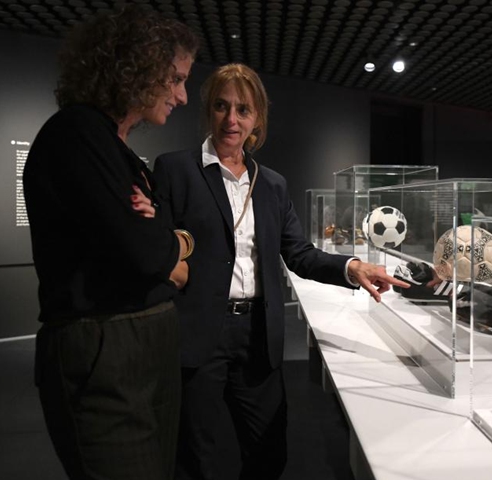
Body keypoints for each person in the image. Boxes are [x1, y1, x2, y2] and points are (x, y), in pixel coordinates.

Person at [152, 63, 409, 480]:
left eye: (243, 109)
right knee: (197, 455)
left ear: (257, 119)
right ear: (207, 111)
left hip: (258, 336)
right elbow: (160, 250)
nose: (231, 119)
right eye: (221, 106)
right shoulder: (175, 170)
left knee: (269, 452)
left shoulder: (270, 184)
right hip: (199, 334)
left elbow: (300, 253)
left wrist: (351, 265)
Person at [22, 6, 198, 480]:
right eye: (175, 79)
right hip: (105, 351)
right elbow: (144, 254)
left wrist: (168, 239)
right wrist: (171, 244)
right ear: (138, 68)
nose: (182, 96)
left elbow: (165, 241)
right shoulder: (76, 135)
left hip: (139, 349)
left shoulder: (114, 147)